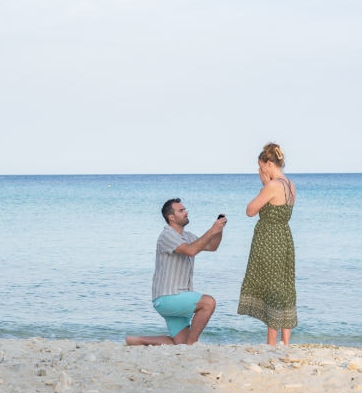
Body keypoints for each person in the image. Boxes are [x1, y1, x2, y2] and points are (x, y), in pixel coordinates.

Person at [125, 199, 227, 346]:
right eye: (181, 210)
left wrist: (219, 229)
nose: (186, 212)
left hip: (176, 298)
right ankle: (192, 346)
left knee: (180, 343)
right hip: (168, 297)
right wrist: (212, 229)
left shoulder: (188, 236)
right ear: (171, 217)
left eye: (185, 209)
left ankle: (136, 340)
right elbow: (191, 251)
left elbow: (212, 246)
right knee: (208, 303)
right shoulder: (167, 236)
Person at [238, 143, 297, 346]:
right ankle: (285, 341)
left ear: (269, 163)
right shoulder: (290, 184)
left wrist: (264, 184)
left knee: (272, 288)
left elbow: (250, 210)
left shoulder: (272, 185)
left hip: (269, 239)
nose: (260, 170)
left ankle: (271, 343)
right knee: (285, 286)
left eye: (261, 166)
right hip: (285, 237)